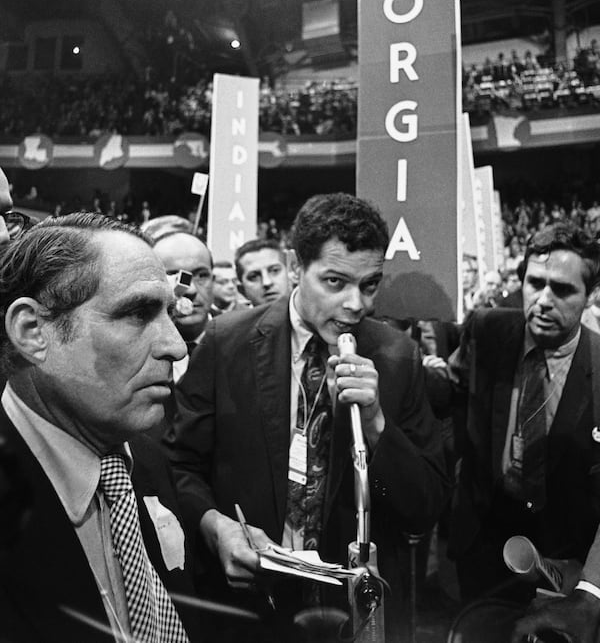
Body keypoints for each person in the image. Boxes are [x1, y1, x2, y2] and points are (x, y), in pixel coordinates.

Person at [164, 192, 448, 641]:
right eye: (335, 282)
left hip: (353, 611)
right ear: (296, 267)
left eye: (370, 285)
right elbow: (181, 464)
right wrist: (215, 527)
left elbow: (422, 509)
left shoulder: (397, 357)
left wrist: (376, 425)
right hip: (250, 606)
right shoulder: (227, 341)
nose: (356, 304)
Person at [0, 212, 201, 643]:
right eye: (137, 314)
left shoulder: (143, 456)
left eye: (169, 312)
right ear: (33, 331)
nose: (176, 346)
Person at [447, 222, 600, 606]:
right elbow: (453, 389)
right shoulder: (486, 328)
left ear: (590, 295)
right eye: (535, 283)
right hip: (484, 545)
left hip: (563, 561)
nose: (543, 300)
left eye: (562, 289)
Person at [142, 216, 214, 382]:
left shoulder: (242, 342)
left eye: (202, 275)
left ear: (214, 278)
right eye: (173, 275)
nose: (191, 290)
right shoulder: (134, 352)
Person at [234, 238, 291, 307]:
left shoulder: (306, 315)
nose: (267, 282)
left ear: (290, 275)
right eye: (254, 277)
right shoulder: (229, 318)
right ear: (242, 290)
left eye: (275, 270)